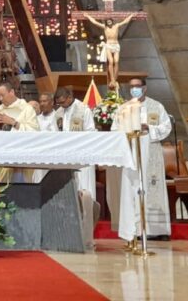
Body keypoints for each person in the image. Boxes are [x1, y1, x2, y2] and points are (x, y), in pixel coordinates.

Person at [111, 77, 172, 242]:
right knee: (133, 188)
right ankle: (134, 228)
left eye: (137, 86)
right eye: (131, 87)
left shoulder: (157, 106)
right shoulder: (124, 108)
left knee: (152, 186)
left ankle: (156, 229)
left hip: (151, 150)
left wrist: (149, 128)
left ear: (144, 88)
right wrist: (127, 131)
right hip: (131, 152)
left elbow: (166, 127)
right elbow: (114, 129)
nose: (134, 89)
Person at [53, 87, 98, 250]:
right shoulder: (58, 113)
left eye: (63, 101)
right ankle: (70, 231)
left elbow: (91, 132)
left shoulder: (83, 110)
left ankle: (87, 235)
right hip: (66, 158)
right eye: (58, 103)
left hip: (83, 158)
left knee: (85, 194)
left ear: (70, 97)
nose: (61, 105)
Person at [0, 82, 39, 183]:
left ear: (12, 92)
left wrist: (13, 123)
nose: (1, 99)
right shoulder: (0, 109)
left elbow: (34, 132)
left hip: (20, 156)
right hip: (0, 154)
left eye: (3, 95)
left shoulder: (26, 109)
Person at [84, 13, 134, 88]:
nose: (109, 22)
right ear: (106, 22)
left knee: (116, 62)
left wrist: (131, 16)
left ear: (112, 21)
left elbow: (125, 22)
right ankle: (112, 79)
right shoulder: (105, 27)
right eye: (107, 22)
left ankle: (115, 79)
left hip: (116, 45)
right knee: (111, 61)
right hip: (108, 45)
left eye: (110, 21)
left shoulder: (116, 26)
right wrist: (88, 16)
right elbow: (95, 22)